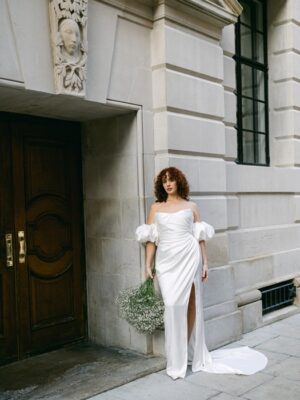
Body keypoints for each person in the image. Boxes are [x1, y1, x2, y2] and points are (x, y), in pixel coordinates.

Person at [136, 167, 268, 380]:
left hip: (189, 257)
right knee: (172, 305)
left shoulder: (191, 206)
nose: (167, 184)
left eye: (171, 180)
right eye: (164, 181)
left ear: (179, 181)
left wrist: (205, 262)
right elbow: (151, 239)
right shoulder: (156, 208)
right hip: (167, 262)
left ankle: (187, 350)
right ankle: (176, 357)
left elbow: (199, 237)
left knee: (190, 303)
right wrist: (147, 264)